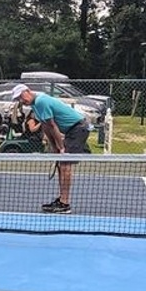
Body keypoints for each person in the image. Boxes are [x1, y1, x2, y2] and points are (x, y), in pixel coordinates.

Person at [11, 84, 90, 213]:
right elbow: (45, 126)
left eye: (21, 96)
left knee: (65, 165)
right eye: (18, 99)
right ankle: (62, 200)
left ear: (28, 91)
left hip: (77, 128)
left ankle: (65, 204)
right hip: (71, 130)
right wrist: (55, 148)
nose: (21, 100)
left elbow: (53, 126)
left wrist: (61, 147)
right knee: (61, 164)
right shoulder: (35, 105)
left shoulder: (41, 101)